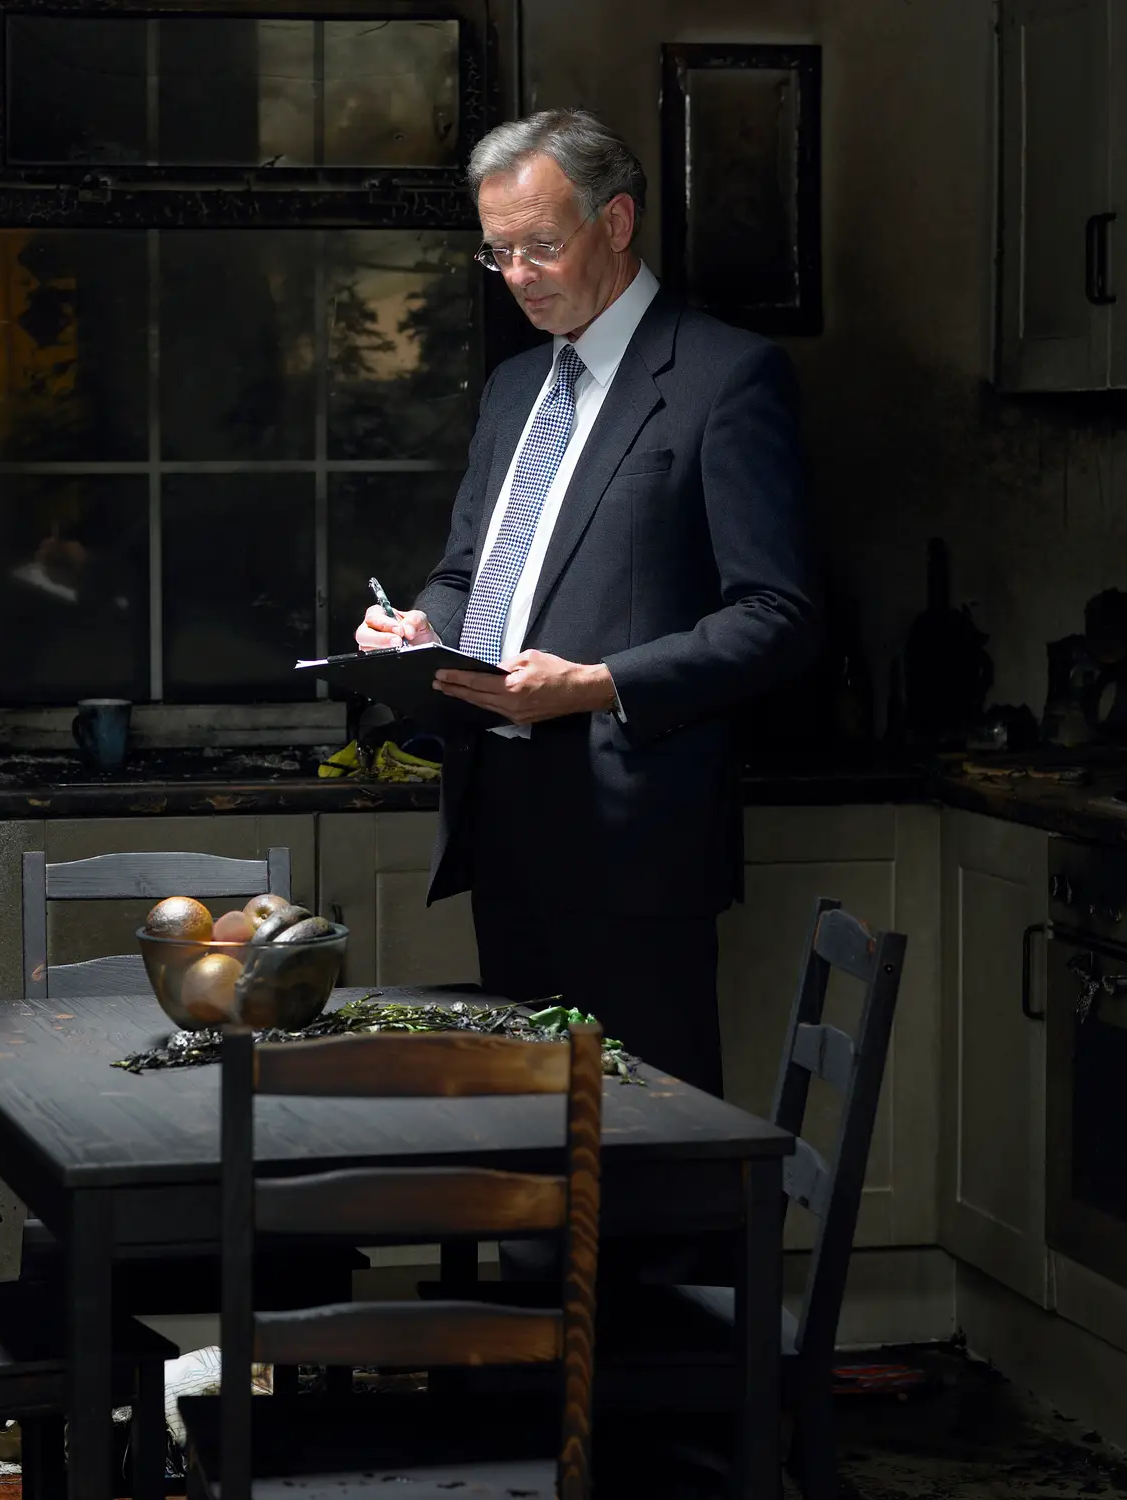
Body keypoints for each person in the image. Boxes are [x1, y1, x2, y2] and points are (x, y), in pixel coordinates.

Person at [356, 109, 821, 1096]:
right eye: (499, 254)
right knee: (530, 1147)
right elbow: (469, 567)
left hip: (635, 838)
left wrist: (601, 684)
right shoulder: (515, 386)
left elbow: (779, 614)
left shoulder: (726, 377)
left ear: (615, 224)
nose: (519, 275)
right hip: (502, 819)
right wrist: (423, 628)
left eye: (541, 245)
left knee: (647, 1145)